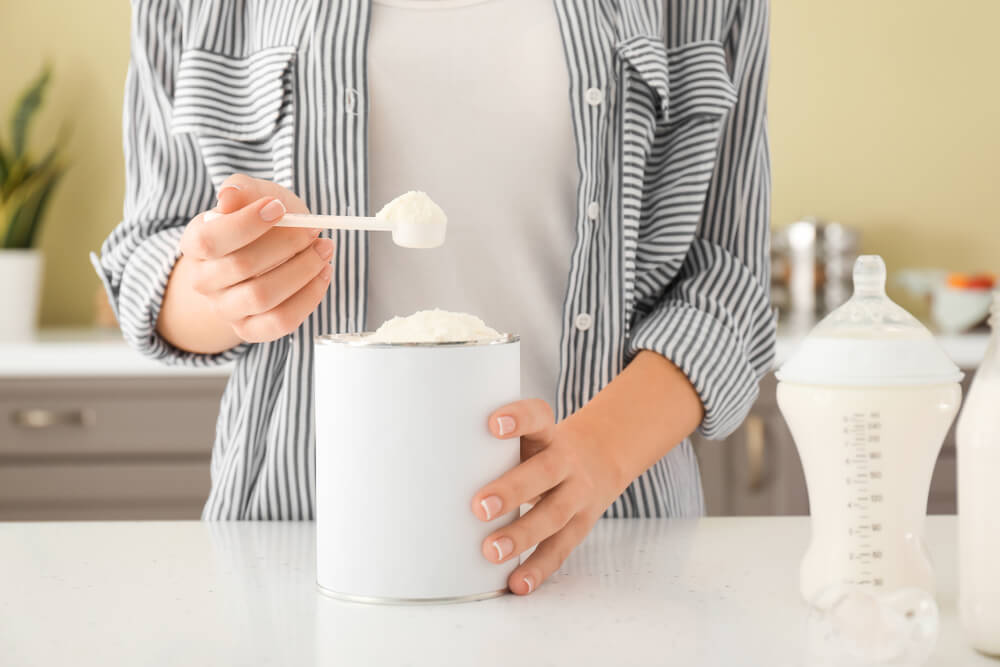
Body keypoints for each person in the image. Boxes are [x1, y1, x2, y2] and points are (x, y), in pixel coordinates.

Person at [94, 0, 774, 596]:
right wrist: (229, 288)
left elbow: (728, 286)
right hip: (297, 552)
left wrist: (596, 454)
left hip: (610, 558)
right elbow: (150, 261)